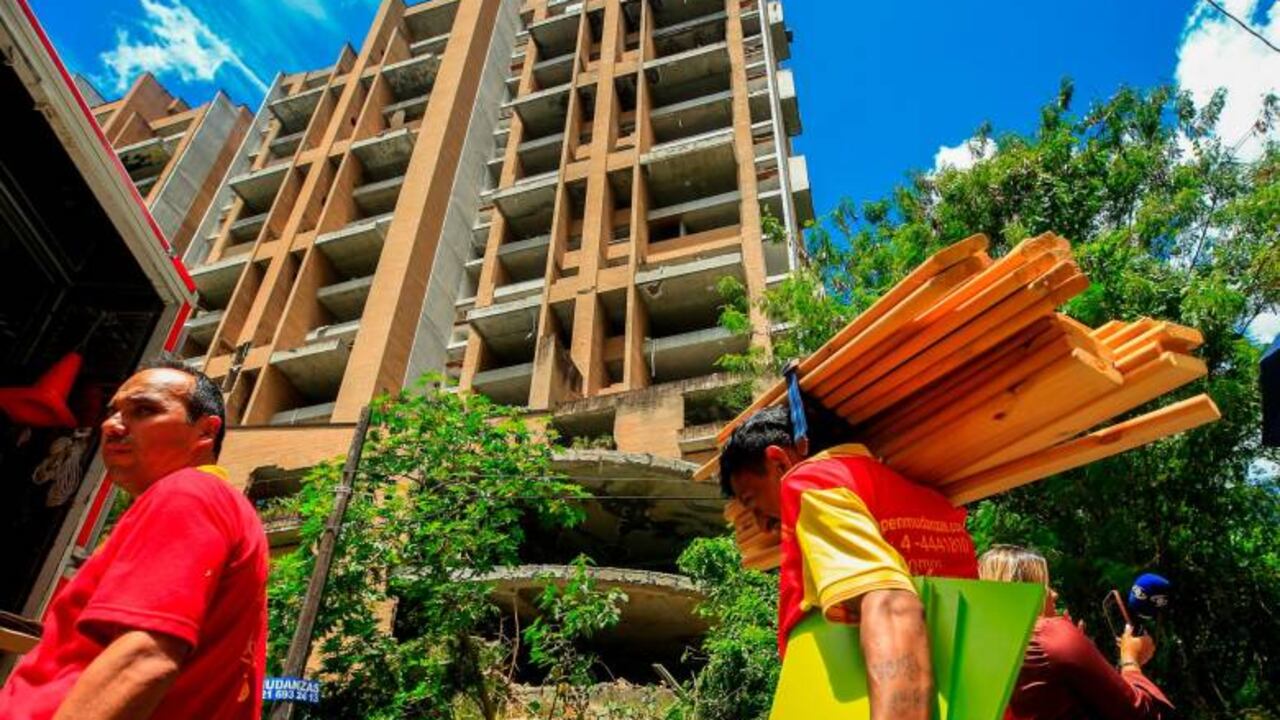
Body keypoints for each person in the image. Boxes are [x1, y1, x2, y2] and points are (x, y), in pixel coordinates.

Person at [0, 358, 269, 720]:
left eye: (144, 410)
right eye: (113, 412)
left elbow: (142, 660)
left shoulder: (189, 492)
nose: (111, 425)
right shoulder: (219, 508)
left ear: (206, 432)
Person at [720, 404, 978, 720]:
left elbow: (892, 605)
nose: (762, 527)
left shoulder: (814, 482)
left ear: (779, 461)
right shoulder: (934, 502)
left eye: (752, 502)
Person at [978, 545, 1174, 720]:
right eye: (1044, 586)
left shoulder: (987, 649)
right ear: (1024, 594)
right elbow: (1139, 713)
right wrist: (1131, 661)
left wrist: (1081, 657)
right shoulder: (1051, 635)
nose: (1054, 594)